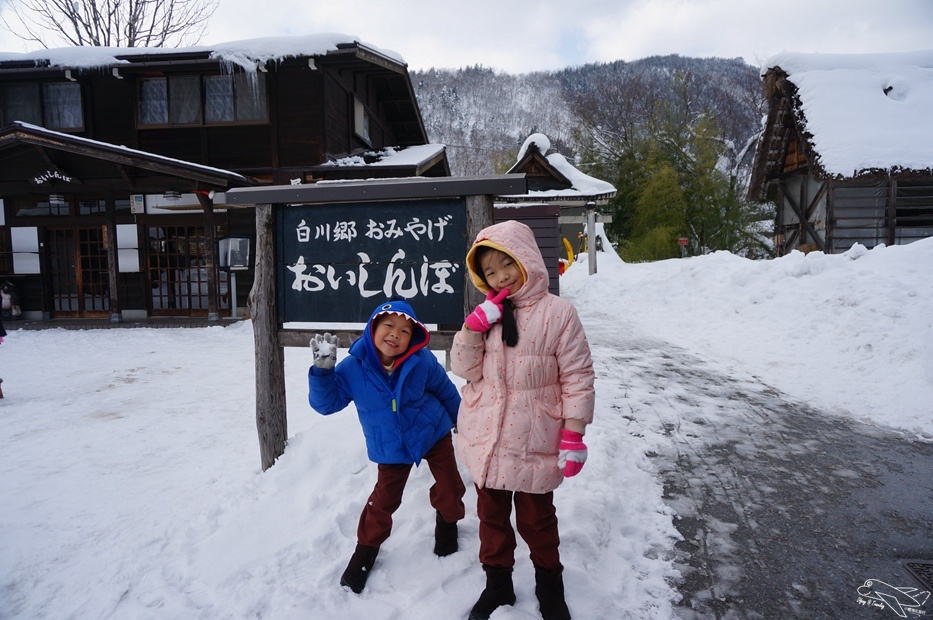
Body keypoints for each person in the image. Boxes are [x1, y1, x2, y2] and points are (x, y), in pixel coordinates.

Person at [451, 220, 595, 620]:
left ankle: (551, 588)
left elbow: (578, 376)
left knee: (538, 522)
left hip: (536, 438)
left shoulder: (559, 313)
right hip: (488, 438)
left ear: (526, 258)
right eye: (490, 272)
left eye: (506, 264)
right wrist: (472, 328)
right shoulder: (487, 314)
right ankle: (497, 586)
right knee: (491, 520)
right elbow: (466, 370)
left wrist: (574, 435)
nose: (500, 277)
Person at [307, 297, 466, 594]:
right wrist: (323, 373)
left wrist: (462, 422)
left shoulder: (422, 360)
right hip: (390, 444)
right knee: (383, 501)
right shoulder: (354, 367)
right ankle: (364, 553)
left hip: (432, 430)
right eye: (389, 326)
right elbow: (326, 404)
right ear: (373, 328)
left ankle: (448, 524)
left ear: (413, 338)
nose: (396, 334)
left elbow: (445, 390)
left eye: (405, 331)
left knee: (450, 485)